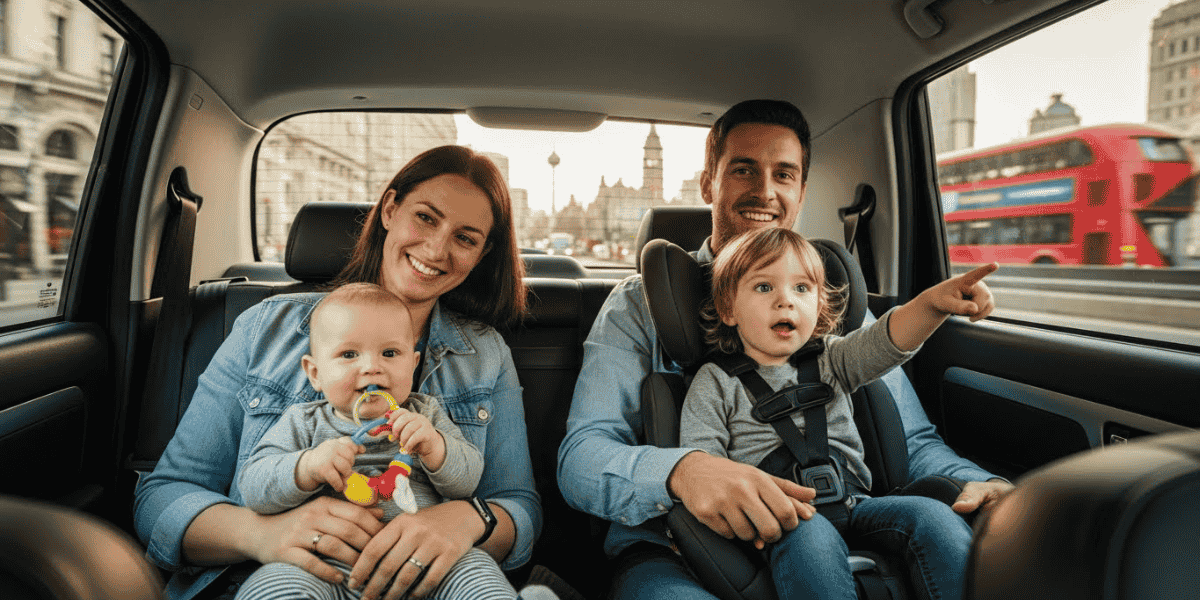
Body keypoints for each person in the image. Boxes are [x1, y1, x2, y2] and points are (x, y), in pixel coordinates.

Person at [557, 99, 1015, 600]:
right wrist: (683, 472)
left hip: (847, 517)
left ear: (800, 192)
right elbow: (581, 458)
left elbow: (915, 441)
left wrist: (984, 486)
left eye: (784, 174)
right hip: (676, 550)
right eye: (743, 169)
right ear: (708, 181)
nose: (765, 191)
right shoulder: (639, 304)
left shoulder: (829, 302)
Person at [135, 146, 541, 600]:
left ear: (482, 254)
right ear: (390, 209)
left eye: (465, 238)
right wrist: (259, 533)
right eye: (426, 218)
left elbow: (519, 507)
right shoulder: (265, 330)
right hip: (304, 577)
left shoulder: (483, 355)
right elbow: (161, 499)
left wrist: (468, 520)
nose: (437, 248)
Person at [680, 227, 998, 600]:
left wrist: (931, 305)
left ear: (818, 306)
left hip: (856, 503)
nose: (786, 301)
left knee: (934, 518)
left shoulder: (833, 358)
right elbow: (705, 468)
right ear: (728, 309)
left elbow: (886, 341)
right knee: (811, 540)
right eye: (764, 288)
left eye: (801, 288)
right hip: (782, 518)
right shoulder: (715, 382)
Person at [235, 282, 527, 599]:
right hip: (328, 570)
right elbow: (253, 487)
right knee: (274, 584)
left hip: (426, 568)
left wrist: (435, 448)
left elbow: (467, 481)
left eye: (390, 353)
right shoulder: (302, 422)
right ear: (315, 373)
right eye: (349, 354)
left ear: (413, 365)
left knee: (475, 570)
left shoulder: (425, 415)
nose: (373, 366)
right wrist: (306, 467)